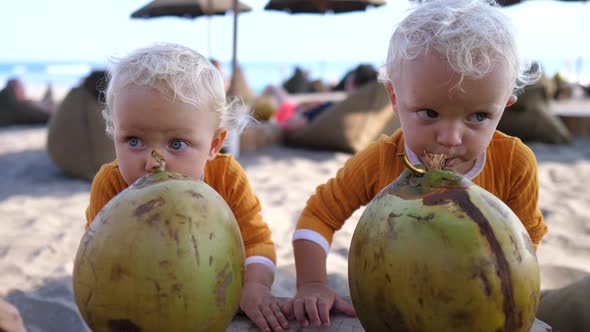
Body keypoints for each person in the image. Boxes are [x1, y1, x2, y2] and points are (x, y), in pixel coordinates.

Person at [283, 0, 548, 328]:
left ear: (504, 106)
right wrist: (311, 283)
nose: (450, 137)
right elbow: (319, 215)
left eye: (479, 116)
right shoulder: (381, 160)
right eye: (430, 113)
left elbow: (524, 244)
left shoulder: (514, 164)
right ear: (394, 98)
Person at [85, 43, 289, 332]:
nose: (154, 162)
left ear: (214, 145)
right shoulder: (111, 184)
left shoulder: (226, 178)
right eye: (133, 141)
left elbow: (257, 243)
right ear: (114, 132)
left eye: (176, 144)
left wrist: (255, 285)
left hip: (214, 299)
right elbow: (96, 260)